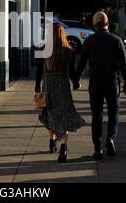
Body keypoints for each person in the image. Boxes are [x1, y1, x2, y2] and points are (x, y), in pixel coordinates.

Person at [74, 12, 126, 160]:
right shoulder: (116, 40)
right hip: (112, 83)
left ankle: (98, 148)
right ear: (108, 24)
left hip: (95, 84)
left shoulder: (89, 42)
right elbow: (124, 64)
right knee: (114, 112)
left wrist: (76, 81)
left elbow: (81, 64)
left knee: (96, 116)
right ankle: (111, 138)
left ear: (93, 25)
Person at [35, 23, 87, 163]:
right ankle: (64, 146)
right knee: (64, 116)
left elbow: (39, 71)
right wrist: (76, 83)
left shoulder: (44, 49)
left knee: (50, 114)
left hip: (49, 86)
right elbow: (71, 72)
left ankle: (52, 143)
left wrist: (37, 87)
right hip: (63, 86)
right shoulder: (68, 51)